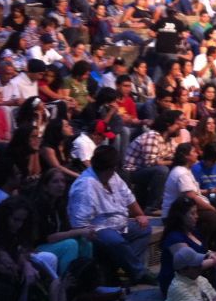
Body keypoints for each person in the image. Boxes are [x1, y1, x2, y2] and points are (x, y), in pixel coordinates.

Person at [67, 145, 156, 285]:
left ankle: (128, 270)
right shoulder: (85, 186)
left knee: (144, 229)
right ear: (111, 167)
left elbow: (128, 198)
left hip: (120, 224)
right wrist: (97, 233)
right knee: (115, 240)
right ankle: (139, 272)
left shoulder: (113, 177)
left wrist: (140, 215)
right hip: (98, 229)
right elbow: (79, 224)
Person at [33, 169, 96, 275]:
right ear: (45, 187)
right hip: (38, 247)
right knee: (70, 244)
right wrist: (78, 232)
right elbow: (49, 237)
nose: (61, 185)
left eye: (63, 181)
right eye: (55, 182)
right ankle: (66, 285)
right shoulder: (39, 206)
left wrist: (86, 232)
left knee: (85, 242)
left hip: (55, 244)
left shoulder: (59, 204)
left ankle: (87, 283)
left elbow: (67, 230)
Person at [161, 143, 216, 245]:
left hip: (186, 209)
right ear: (186, 156)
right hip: (175, 214)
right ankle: (198, 245)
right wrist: (211, 208)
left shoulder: (186, 170)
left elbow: (195, 192)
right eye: (193, 152)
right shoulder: (181, 173)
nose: (197, 153)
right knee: (212, 215)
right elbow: (191, 197)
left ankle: (214, 243)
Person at [123, 110, 180, 213]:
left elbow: (174, 156)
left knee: (178, 167)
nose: (179, 126)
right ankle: (152, 207)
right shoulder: (152, 136)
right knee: (162, 170)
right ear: (168, 125)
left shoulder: (168, 140)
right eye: (176, 124)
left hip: (145, 170)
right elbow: (150, 162)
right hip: (132, 171)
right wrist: (173, 162)